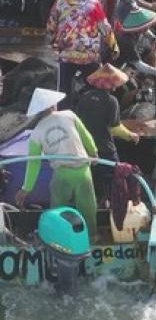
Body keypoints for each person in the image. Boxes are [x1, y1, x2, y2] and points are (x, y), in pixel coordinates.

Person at [15, 89, 100, 238]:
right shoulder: (69, 115)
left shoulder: (36, 133)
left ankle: (59, 238)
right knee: (88, 207)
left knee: (58, 209)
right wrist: (94, 153)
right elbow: (87, 137)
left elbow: (34, 164)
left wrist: (26, 189)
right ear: (53, 105)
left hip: (62, 174)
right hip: (82, 171)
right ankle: (92, 237)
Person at [47, 0, 119, 103]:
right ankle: (95, 106)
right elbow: (105, 28)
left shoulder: (60, 2)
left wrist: (54, 46)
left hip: (66, 54)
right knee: (96, 86)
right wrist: (114, 46)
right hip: (89, 55)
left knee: (63, 90)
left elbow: (51, 26)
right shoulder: (94, 3)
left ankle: (64, 111)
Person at [76, 64, 139, 205]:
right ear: (112, 84)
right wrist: (131, 135)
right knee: (113, 177)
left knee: (93, 178)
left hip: (86, 148)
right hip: (105, 149)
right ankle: (109, 202)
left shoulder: (85, 97)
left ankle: (95, 201)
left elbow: (78, 121)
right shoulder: (112, 101)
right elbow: (115, 128)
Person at [115, 4, 156, 79]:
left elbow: (145, 30)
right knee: (133, 85)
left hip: (133, 52)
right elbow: (137, 64)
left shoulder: (134, 30)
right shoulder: (127, 41)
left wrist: (153, 38)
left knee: (149, 51)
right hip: (122, 63)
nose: (147, 27)